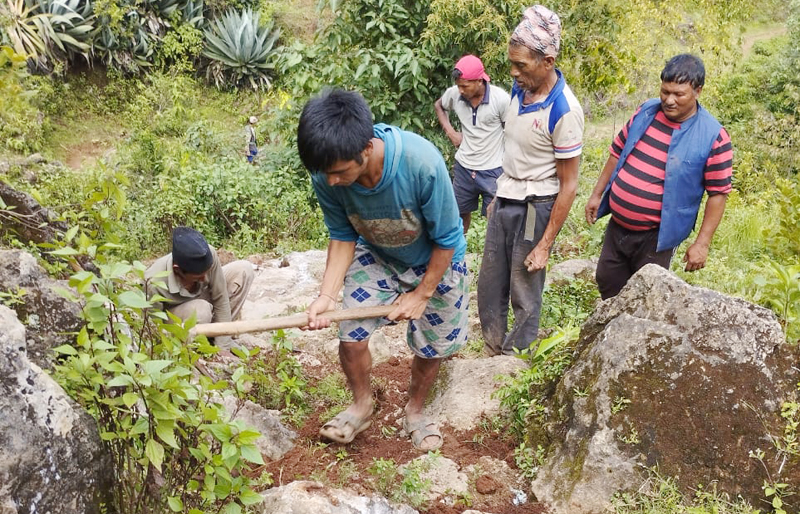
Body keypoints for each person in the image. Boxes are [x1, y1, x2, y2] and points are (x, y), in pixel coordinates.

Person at [297, 88, 468, 451]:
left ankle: (415, 411)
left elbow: (448, 238)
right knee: (350, 337)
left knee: (431, 347)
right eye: (325, 174)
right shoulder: (327, 174)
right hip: (378, 255)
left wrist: (422, 293)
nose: (331, 181)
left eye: (339, 172)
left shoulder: (420, 163)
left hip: (437, 260)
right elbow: (342, 234)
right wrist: (327, 296)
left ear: (366, 148)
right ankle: (362, 405)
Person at [477, 5, 584, 356]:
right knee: (490, 282)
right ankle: (493, 348)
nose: (514, 72)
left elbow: (569, 184)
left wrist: (545, 244)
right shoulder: (519, 89)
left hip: (536, 207)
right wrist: (499, 195)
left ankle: (516, 358)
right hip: (506, 196)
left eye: (521, 65)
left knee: (524, 286)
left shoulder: (563, 110)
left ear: (547, 61)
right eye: (512, 63)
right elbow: (515, 149)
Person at [584, 54, 733, 300]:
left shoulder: (713, 136)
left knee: (646, 295)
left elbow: (718, 194)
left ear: (698, 91)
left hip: (657, 237)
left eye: (678, 94)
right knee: (607, 280)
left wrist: (702, 243)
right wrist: (597, 194)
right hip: (618, 226)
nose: (669, 100)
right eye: (665, 92)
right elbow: (617, 152)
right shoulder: (646, 112)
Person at [434, 54, 510, 233]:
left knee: (495, 219)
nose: (460, 90)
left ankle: (493, 251)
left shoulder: (501, 100)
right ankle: (458, 249)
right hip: (464, 167)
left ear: (479, 81)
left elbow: (512, 134)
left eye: (465, 86)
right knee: (458, 215)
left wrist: (508, 170)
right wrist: (451, 133)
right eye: (458, 85)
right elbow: (439, 106)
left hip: (493, 169)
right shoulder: (455, 94)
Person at [144, 227, 254, 344]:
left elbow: (221, 299)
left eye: (207, 272)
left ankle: (217, 336)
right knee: (200, 310)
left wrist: (223, 345)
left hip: (202, 301)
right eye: (198, 277)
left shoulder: (207, 254)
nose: (205, 279)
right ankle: (196, 343)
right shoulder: (153, 283)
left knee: (243, 270)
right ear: (177, 270)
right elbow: (155, 330)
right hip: (178, 319)